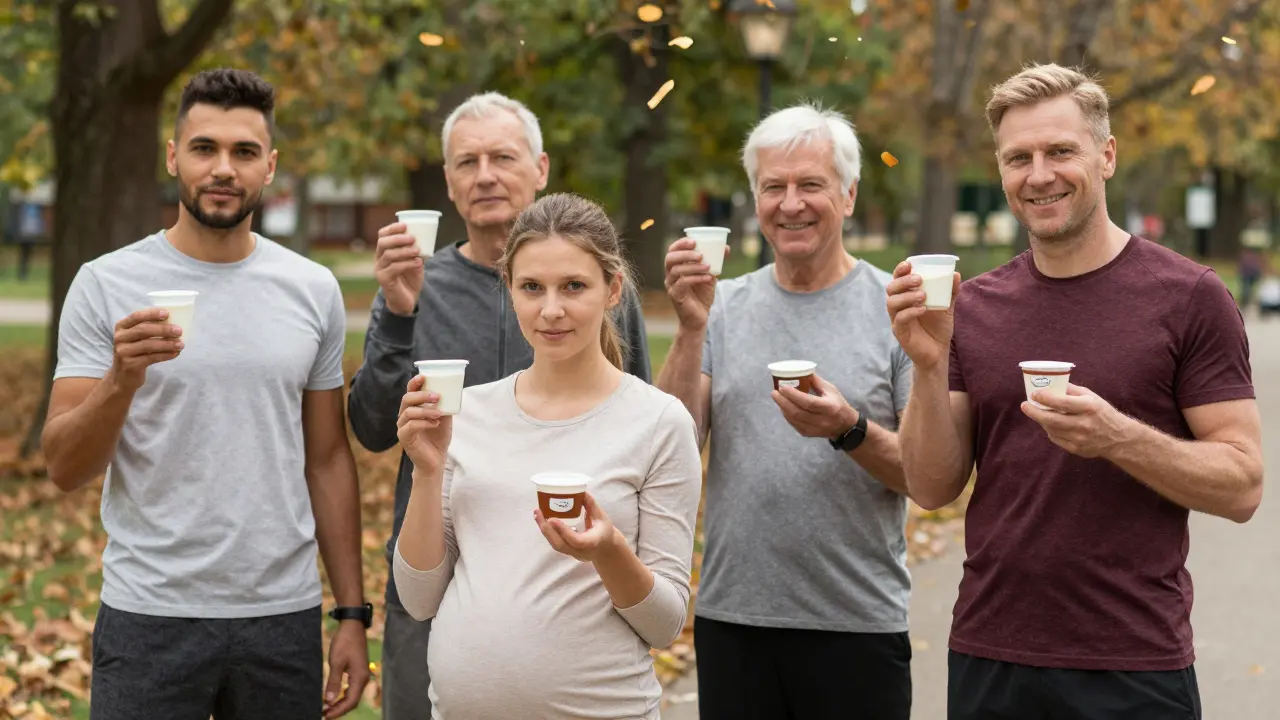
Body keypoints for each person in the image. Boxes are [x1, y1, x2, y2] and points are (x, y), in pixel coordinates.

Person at [887, 63, 1263, 720]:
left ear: (1106, 155)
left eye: (1060, 151)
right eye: (1018, 158)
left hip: (1134, 662)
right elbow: (930, 485)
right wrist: (924, 362)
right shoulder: (971, 307)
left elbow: (1242, 485)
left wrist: (1117, 437)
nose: (1039, 175)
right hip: (990, 656)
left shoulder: (1189, 298)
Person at [42, 69, 370, 719]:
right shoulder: (106, 284)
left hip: (282, 615)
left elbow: (328, 459)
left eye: (244, 152)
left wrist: (352, 613)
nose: (223, 168)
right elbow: (63, 467)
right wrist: (120, 380)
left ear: (269, 167)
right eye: (204, 149)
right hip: (149, 615)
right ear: (173, 157)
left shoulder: (311, 289)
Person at [347, 92, 652, 718]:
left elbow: (641, 429)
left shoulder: (598, 296)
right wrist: (399, 313)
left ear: (540, 169)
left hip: (574, 587)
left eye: (502, 157)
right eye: (466, 162)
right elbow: (374, 431)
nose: (484, 175)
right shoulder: (414, 285)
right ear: (451, 184)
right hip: (434, 582)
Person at [391, 192, 701, 718]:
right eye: (532, 287)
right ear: (508, 289)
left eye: (574, 286)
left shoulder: (659, 422)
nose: (551, 309)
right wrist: (427, 470)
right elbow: (420, 600)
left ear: (613, 290)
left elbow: (665, 625)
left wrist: (608, 552)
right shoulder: (468, 413)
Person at [657, 102, 915, 720]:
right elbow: (668, 447)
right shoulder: (723, 307)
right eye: (773, 187)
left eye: (810, 185)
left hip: (859, 624)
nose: (790, 203)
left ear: (848, 196)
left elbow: (927, 477)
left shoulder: (896, 310)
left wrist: (848, 429)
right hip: (733, 621)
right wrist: (690, 329)